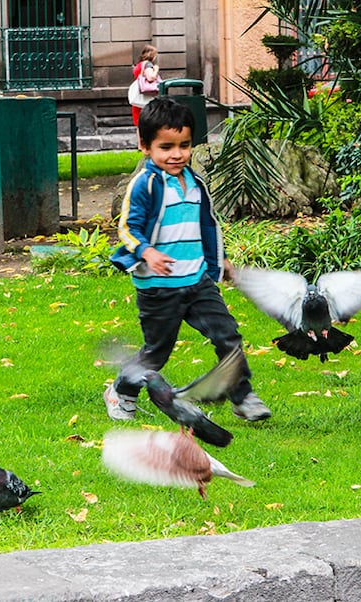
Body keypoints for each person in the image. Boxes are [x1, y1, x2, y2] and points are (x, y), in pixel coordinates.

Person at [106, 98, 271, 422]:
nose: (177, 154)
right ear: (145, 146)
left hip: (197, 282)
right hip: (158, 288)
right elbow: (126, 227)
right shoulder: (145, 184)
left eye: (184, 145)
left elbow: (207, 225)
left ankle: (242, 396)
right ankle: (122, 390)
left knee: (228, 335)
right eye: (166, 147)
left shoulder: (195, 183)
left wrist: (219, 260)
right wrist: (147, 252)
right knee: (156, 353)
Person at [129, 44, 160, 126]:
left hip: (139, 97)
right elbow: (150, 77)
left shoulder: (138, 65)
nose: (155, 57)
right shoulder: (148, 64)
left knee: (139, 124)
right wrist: (156, 70)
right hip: (146, 97)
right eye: (155, 54)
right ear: (151, 54)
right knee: (148, 123)